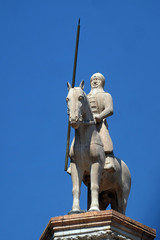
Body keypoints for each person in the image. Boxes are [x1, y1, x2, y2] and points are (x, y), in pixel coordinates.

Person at [88, 72, 116, 172]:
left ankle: (109, 158)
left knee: (104, 135)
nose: (94, 81)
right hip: (87, 124)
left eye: (97, 79)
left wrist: (100, 116)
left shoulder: (106, 95)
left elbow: (110, 109)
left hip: (99, 123)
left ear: (102, 82)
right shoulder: (85, 97)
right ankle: (73, 161)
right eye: (92, 80)